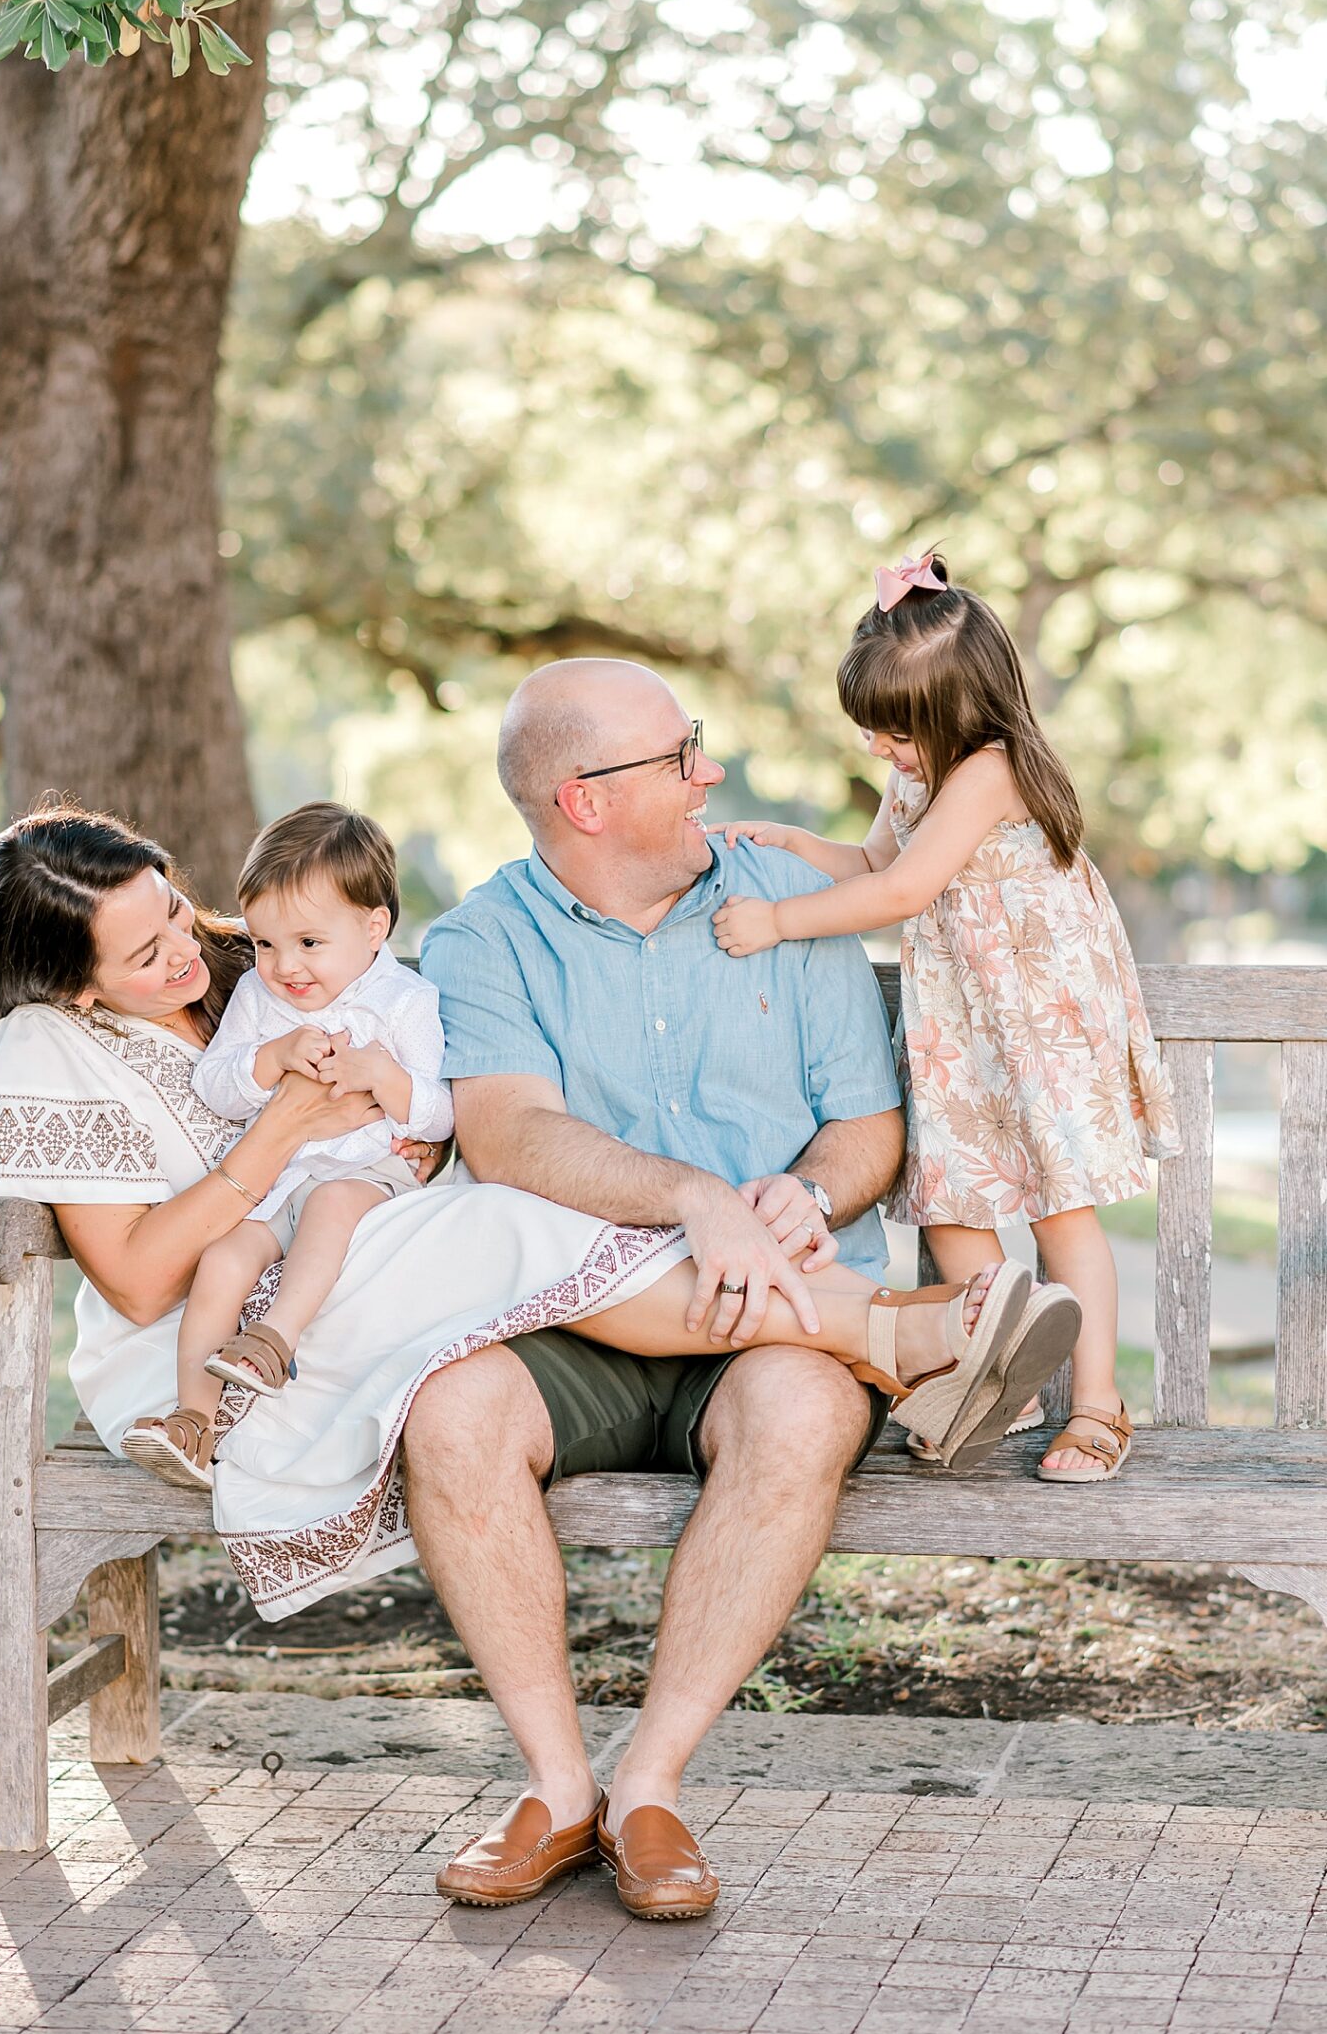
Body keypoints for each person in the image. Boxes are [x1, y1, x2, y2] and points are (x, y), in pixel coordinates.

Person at [409, 659, 1080, 1921]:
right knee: (451, 1413)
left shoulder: (783, 902)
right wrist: (692, 1196)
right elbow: (509, 1138)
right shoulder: (480, 941)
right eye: (678, 757)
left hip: (769, 1316)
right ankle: (557, 1791)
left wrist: (805, 1194)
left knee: (804, 1416)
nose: (709, 772)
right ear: (584, 800)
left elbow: (862, 1130)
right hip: (580, 1316)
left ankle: (648, 1787)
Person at [713, 549, 1178, 1485]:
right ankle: (986, 1385)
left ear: (962, 711)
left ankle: (1096, 1406)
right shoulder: (919, 777)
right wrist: (801, 850)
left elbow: (906, 889)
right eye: (873, 733)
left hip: (1034, 1025)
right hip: (958, 1036)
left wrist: (776, 921)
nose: (880, 752)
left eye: (895, 734)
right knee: (957, 1215)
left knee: (1059, 1216)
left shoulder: (993, 769)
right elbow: (873, 862)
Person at [121, 804, 454, 1489]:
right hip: (278, 1176)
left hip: (369, 1172)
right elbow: (217, 1087)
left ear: (373, 928)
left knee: (332, 1205)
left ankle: (275, 1338)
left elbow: (442, 1114)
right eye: (266, 944)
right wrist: (270, 1058)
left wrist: (384, 1077)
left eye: (307, 943)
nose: (284, 967)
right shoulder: (256, 996)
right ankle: (193, 1422)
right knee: (222, 1257)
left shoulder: (404, 1002)